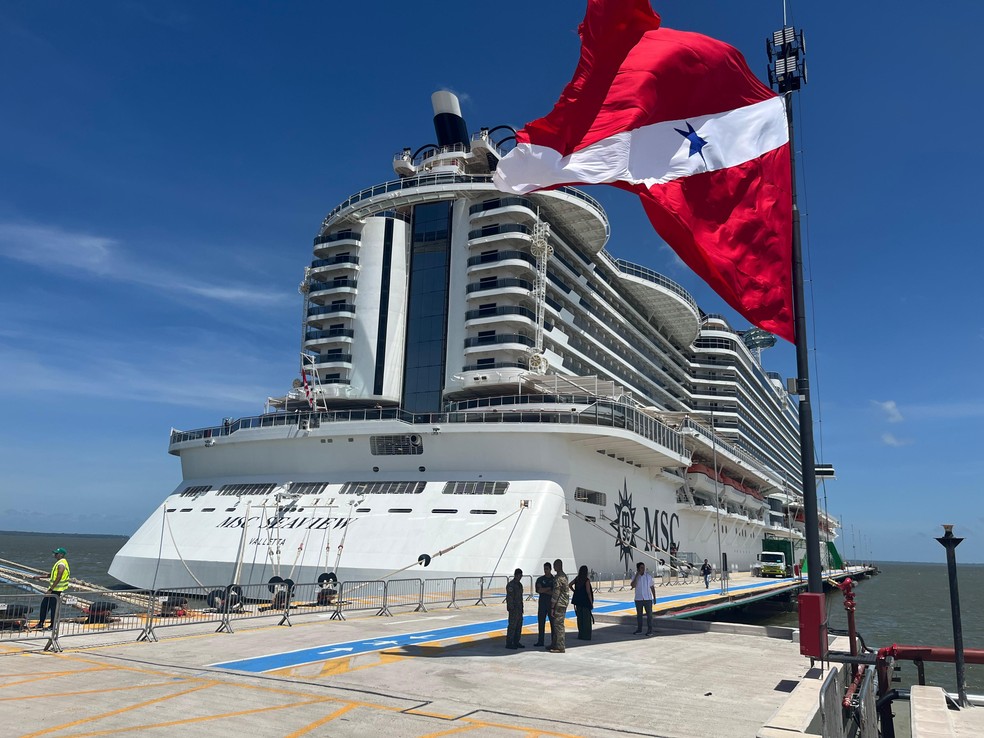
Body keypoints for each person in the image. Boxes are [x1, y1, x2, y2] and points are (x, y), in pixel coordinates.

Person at [34, 547, 71, 629]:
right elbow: (52, 575)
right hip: (54, 589)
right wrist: (40, 576)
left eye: (56, 554)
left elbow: (59, 576)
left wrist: (51, 589)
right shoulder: (59, 562)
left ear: (61, 555)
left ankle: (52, 625)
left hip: (56, 590)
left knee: (53, 608)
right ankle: (41, 623)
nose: (55, 555)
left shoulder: (62, 564)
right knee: (44, 605)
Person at [548, 559, 570, 653]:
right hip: (562, 603)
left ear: (559, 566)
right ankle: (555, 644)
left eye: (555, 565)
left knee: (558, 625)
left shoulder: (559, 578)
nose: (553, 567)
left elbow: (556, 593)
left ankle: (560, 646)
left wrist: (552, 606)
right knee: (556, 624)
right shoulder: (563, 576)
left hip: (559, 604)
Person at [569, 565, 594, 640]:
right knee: (586, 619)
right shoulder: (586, 580)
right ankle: (586, 635)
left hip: (578, 601)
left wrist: (575, 591)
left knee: (580, 618)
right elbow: (588, 592)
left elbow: (570, 585)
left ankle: (580, 634)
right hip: (585, 601)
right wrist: (591, 602)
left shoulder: (577, 579)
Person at [631, 561, 655, 636]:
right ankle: (639, 629)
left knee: (649, 615)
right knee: (639, 615)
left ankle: (650, 630)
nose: (643, 569)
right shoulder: (635, 577)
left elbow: (652, 587)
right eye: (641, 567)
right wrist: (637, 575)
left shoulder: (648, 577)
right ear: (638, 569)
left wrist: (654, 597)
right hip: (639, 599)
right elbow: (633, 585)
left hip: (647, 599)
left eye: (644, 567)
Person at [533, 561, 554, 647]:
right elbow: (538, 590)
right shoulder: (540, 579)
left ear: (550, 569)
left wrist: (544, 590)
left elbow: (554, 592)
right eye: (544, 569)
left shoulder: (554, 580)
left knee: (553, 624)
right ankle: (540, 641)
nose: (545, 570)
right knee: (541, 623)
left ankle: (554, 641)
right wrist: (549, 588)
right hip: (542, 605)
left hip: (551, 605)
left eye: (547, 569)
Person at [505, 568, 525, 649]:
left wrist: (522, 608)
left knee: (519, 626)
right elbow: (509, 598)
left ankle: (516, 641)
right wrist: (511, 608)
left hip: (519, 608)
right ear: (516, 575)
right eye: (519, 575)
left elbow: (520, 598)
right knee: (512, 626)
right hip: (513, 609)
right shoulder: (511, 585)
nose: (520, 577)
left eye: (521, 576)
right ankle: (509, 642)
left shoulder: (520, 585)